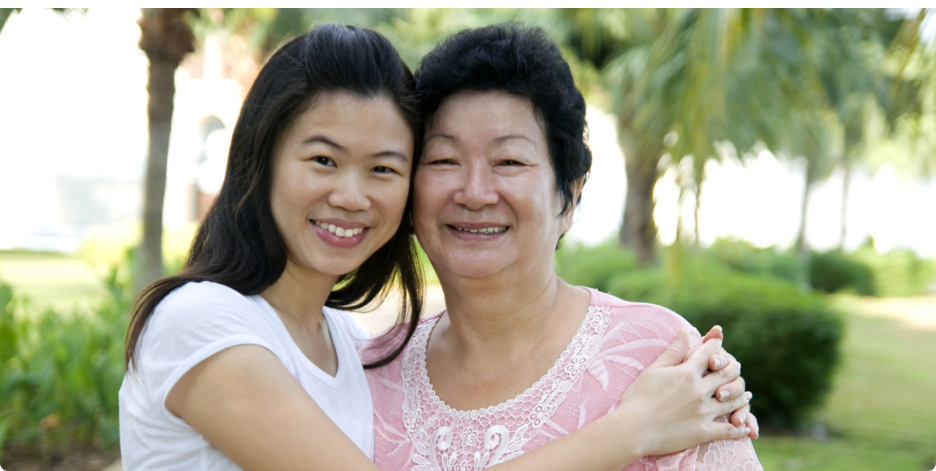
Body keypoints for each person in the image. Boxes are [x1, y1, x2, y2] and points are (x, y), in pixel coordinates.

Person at [118, 23, 755, 471]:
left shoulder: (354, 349)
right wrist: (628, 432)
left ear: (570, 193)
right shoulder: (206, 323)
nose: (351, 195)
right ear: (262, 157)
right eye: (322, 159)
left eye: (384, 168)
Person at [363, 23, 763, 470]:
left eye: (509, 161)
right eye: (443, 161)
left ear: (568, 196)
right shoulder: (369, 374)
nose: (474, 193)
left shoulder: (661, 360)